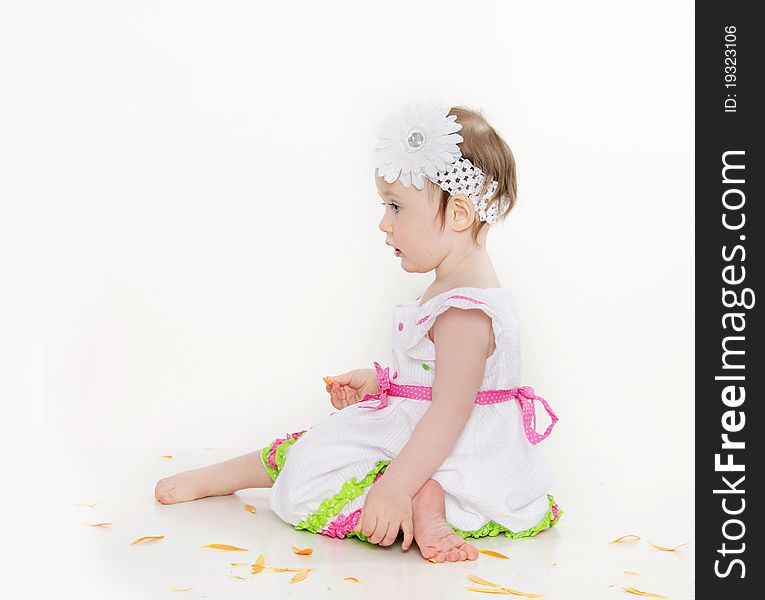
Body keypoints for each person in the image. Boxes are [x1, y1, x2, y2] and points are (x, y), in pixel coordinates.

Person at [155, 101, 563, 563]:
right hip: (424, 433)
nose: (384, 223)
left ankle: (420, 498)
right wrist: (383, 384)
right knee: (318, 447)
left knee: (312, 473)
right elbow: (440, 382)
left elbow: (450, 414)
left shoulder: (464, 312)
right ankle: (220, 477)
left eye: (396, 207)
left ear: (459, 214)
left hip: (451, 453)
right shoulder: (454, 289)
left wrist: (394, 487)